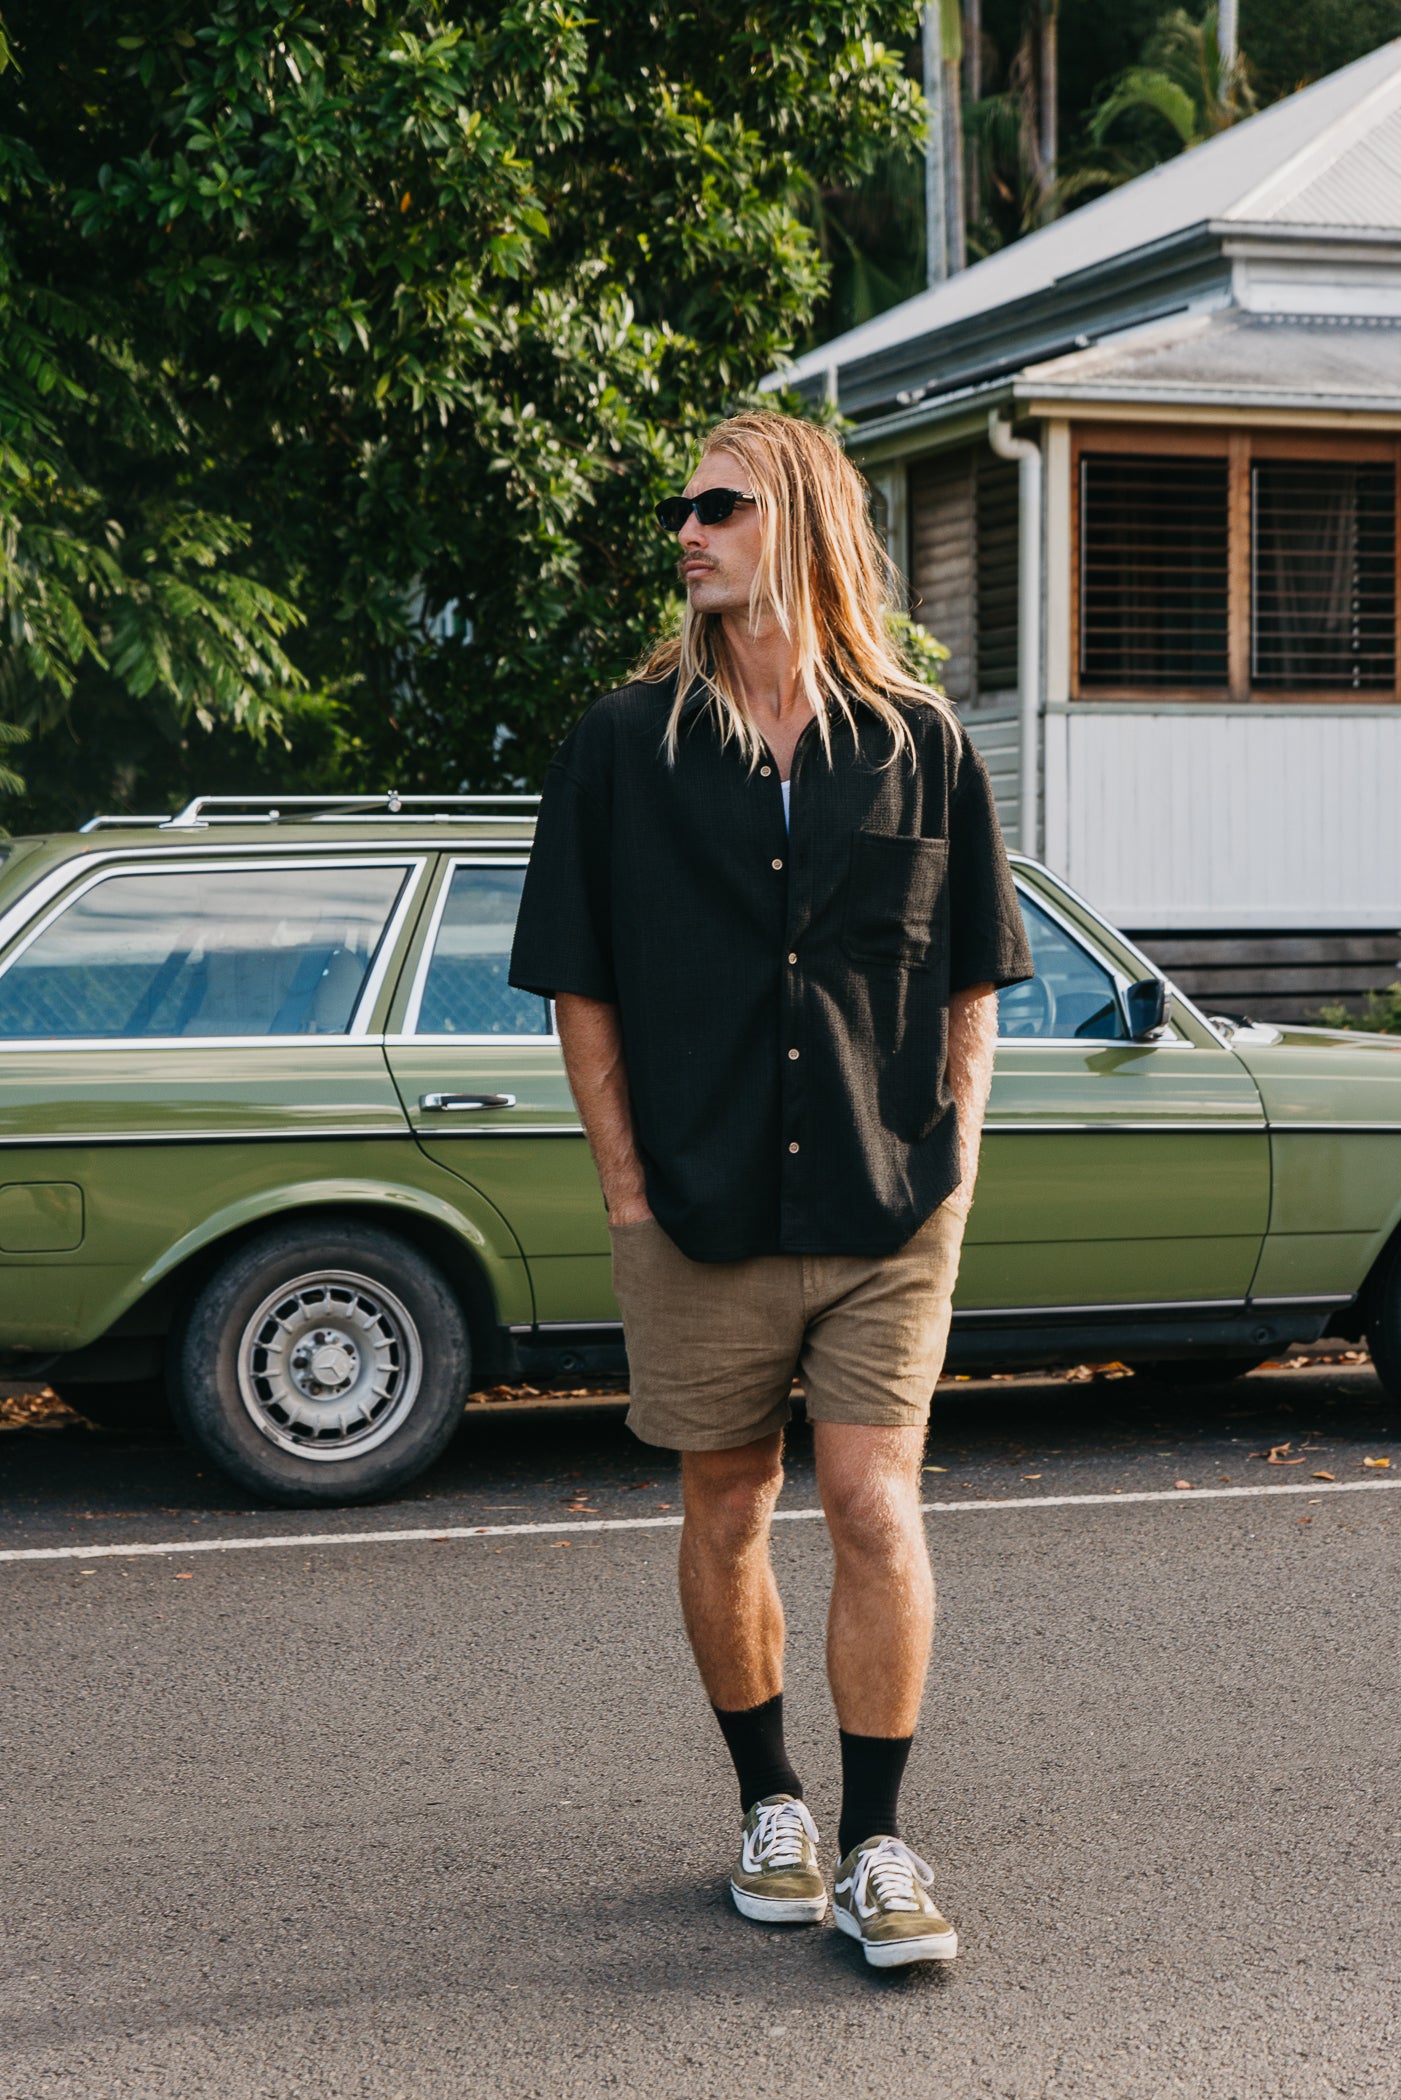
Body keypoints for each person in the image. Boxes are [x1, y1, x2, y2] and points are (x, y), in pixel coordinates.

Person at [509, 410, 1033, 1968]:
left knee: (872, 1503)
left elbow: (970, 982)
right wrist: (623, 1187)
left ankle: (878, 1843)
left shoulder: (923, 742)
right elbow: (579, 985)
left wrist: (954, 1161)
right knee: (728, 1502)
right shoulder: (624, 745)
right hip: (695, 1201)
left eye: (719, 506)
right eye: (685, 509)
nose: (687, 531)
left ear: (795, 519)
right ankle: (770, 1806)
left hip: (887, 1203)